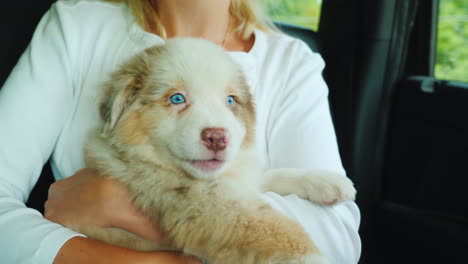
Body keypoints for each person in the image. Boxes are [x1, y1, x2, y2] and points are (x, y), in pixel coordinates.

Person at [0, 0, 361, 263]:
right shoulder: (77, 26)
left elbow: (338, 240)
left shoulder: (290, 62)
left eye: (231, 101)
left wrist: (119, 203)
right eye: (176, 99)